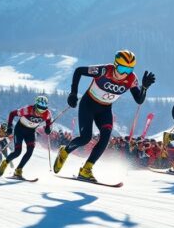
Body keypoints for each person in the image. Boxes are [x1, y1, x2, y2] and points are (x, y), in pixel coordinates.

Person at [53, 50, 155, 182]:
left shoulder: (131, 79)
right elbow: (79, 71)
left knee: (105, 138)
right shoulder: (103, 71)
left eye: (129, 70)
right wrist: (73, 93)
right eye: (122, 68)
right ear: (115, 64)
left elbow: (139, 100)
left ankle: (86, 169)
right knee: (85, 138)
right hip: (88, 105)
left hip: (105, 109)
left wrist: (144, 88)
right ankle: (65, 151)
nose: (124, 73)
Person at [0, 96, 53, 178]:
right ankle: (5, 162)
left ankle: (18, 170)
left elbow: (48, 120)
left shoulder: (47, 113)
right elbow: (12, 114)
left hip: (31, 132)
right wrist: (10, 126)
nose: (40, 112)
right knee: (18, 152)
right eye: (39, 108)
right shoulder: (28, 109)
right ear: (35, 106)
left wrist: (48, 128)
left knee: (30, 151)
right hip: (20, 129)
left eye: (43, 108)